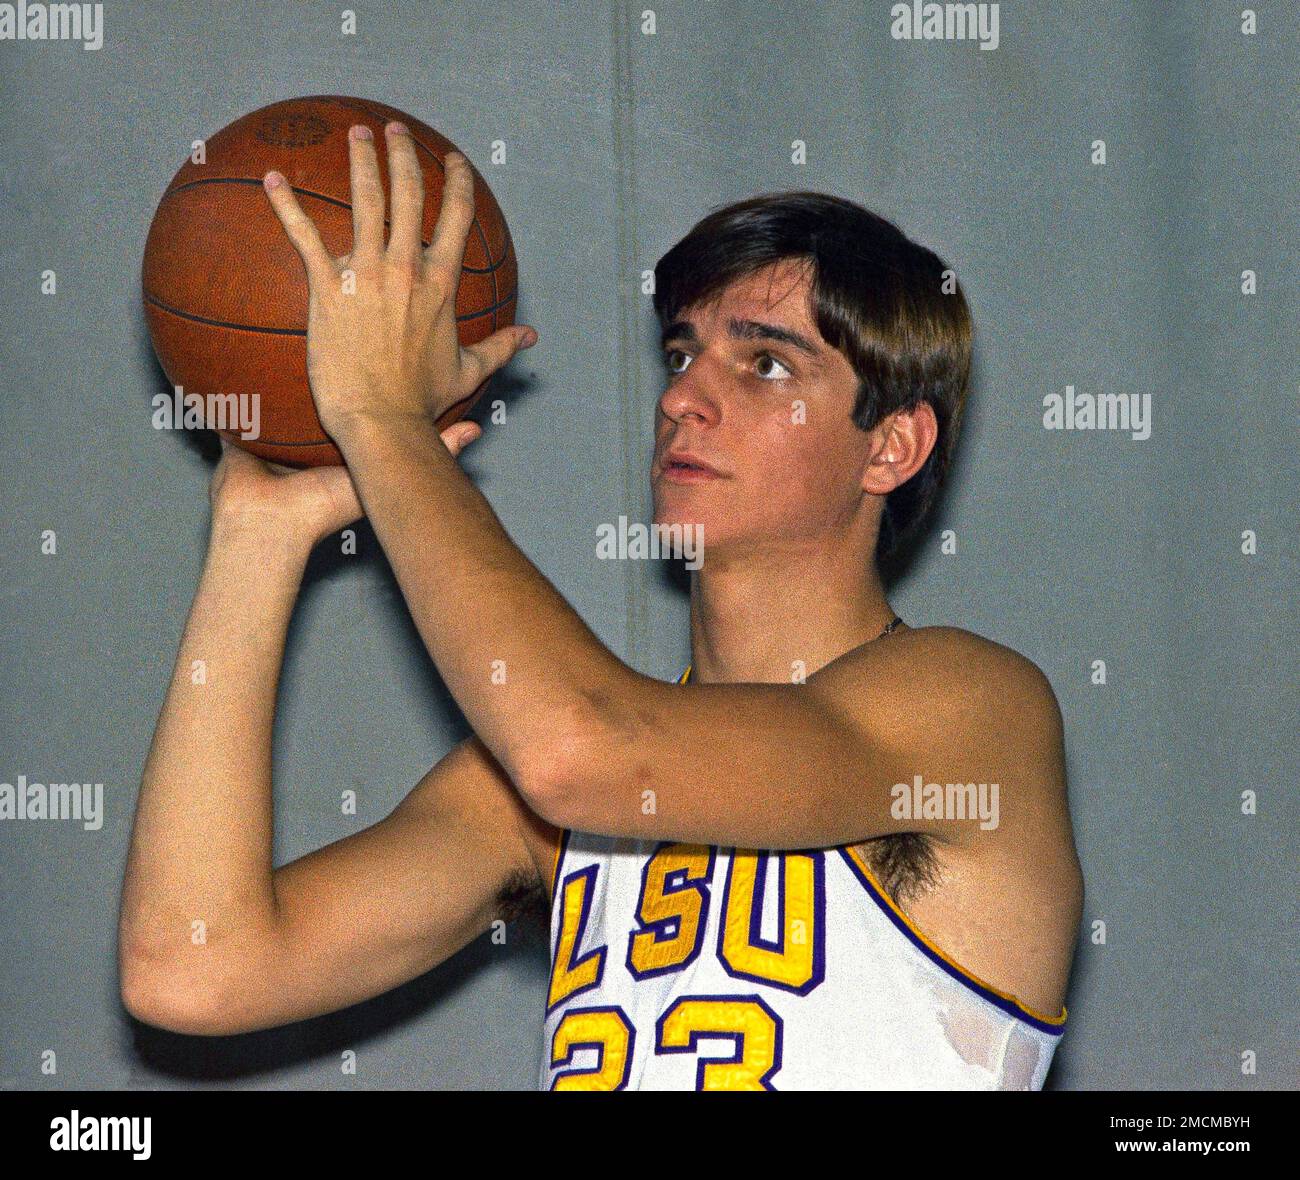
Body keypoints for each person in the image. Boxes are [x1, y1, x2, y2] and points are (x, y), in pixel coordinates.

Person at [119, 120, 1084, 1090]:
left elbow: (584, 748)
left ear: (891, 447)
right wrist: (258, 534)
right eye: (680, 354)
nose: (683, 397)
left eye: (765, 364)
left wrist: (377, 417)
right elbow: (193, 969)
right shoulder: (535, 796)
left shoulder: (971, 709)